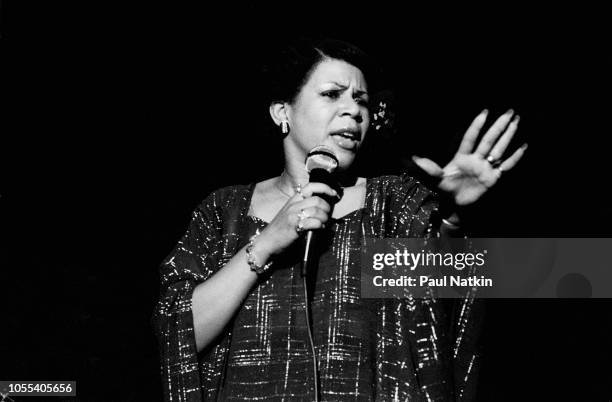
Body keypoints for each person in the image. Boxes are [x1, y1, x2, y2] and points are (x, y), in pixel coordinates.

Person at [152, 38, 526, 401]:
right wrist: (267, 242)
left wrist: (454, 219)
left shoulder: (394, 204)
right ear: (283, 111)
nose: (354, 110)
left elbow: (442, 300)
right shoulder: (224, 210)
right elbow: (178, 335)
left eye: (360, 99)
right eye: (332, 94)